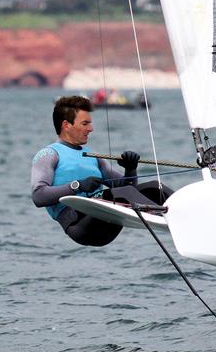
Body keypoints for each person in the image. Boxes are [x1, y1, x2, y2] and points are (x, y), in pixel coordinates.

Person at [31, 96, 170, 246]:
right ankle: (169, 217)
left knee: (155, 187)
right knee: (123, 193)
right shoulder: (49, 154)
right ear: (66, 125)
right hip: (80, 225)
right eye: (85, 123)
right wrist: (77, 185)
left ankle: (191, 214)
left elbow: (128, 187)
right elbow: (38, 197)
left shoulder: (93, 156)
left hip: (106, 219)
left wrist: (130, 169)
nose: (91, 128)